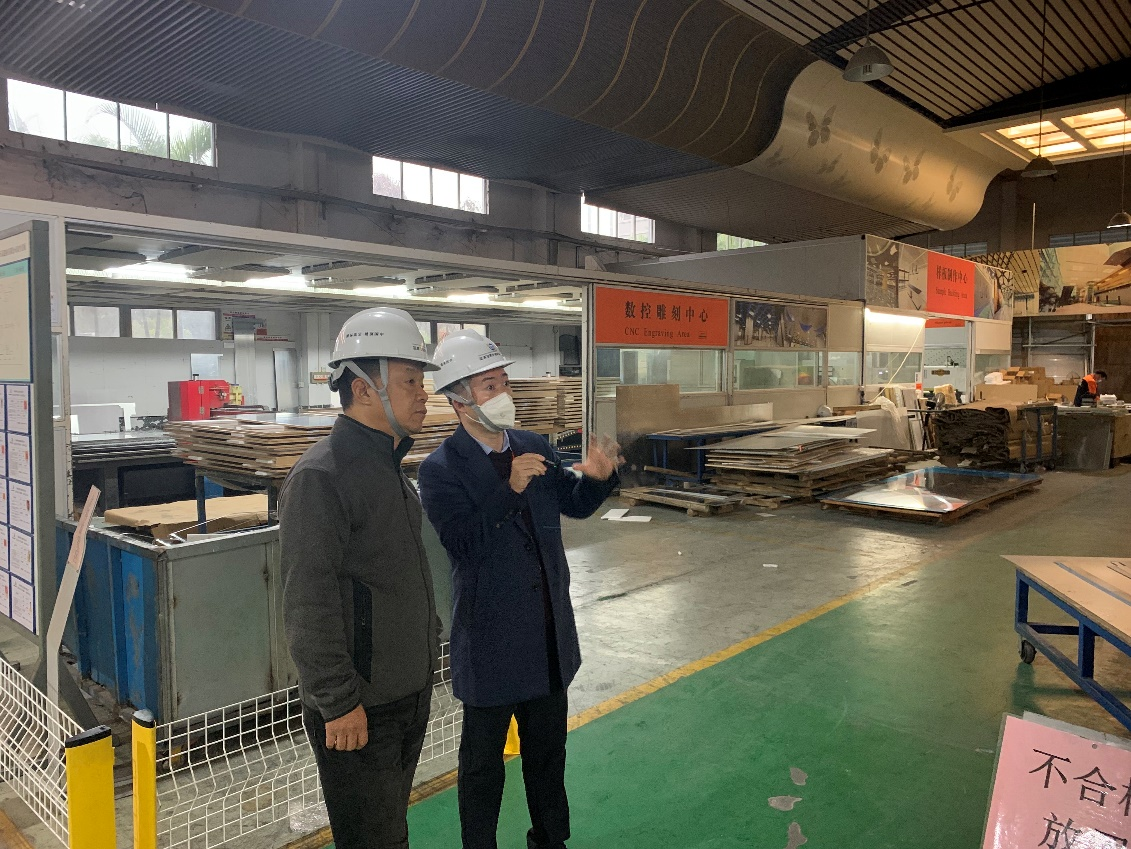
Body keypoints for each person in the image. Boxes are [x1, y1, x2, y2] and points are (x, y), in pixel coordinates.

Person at [417, 330, 620, 849]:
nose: (503, 394)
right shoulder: (439, 471)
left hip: (548, 635)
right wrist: (508, 490)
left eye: (504, 382)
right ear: (459, 401)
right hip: (491, 643)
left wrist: (598, 480)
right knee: (482, 767)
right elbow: (463, 545)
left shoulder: (533, 446)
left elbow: (573, 504)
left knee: (548, 758)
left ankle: (550, 840)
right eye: (490, 386)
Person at [279, 306, 442, 849]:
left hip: (405, 694)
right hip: (360, 708)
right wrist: (338, 701)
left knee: (390, 831)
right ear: (363, 389)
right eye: (410, 381)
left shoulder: (388, 467)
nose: (424, 394)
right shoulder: (321, 477)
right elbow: (308, 600)